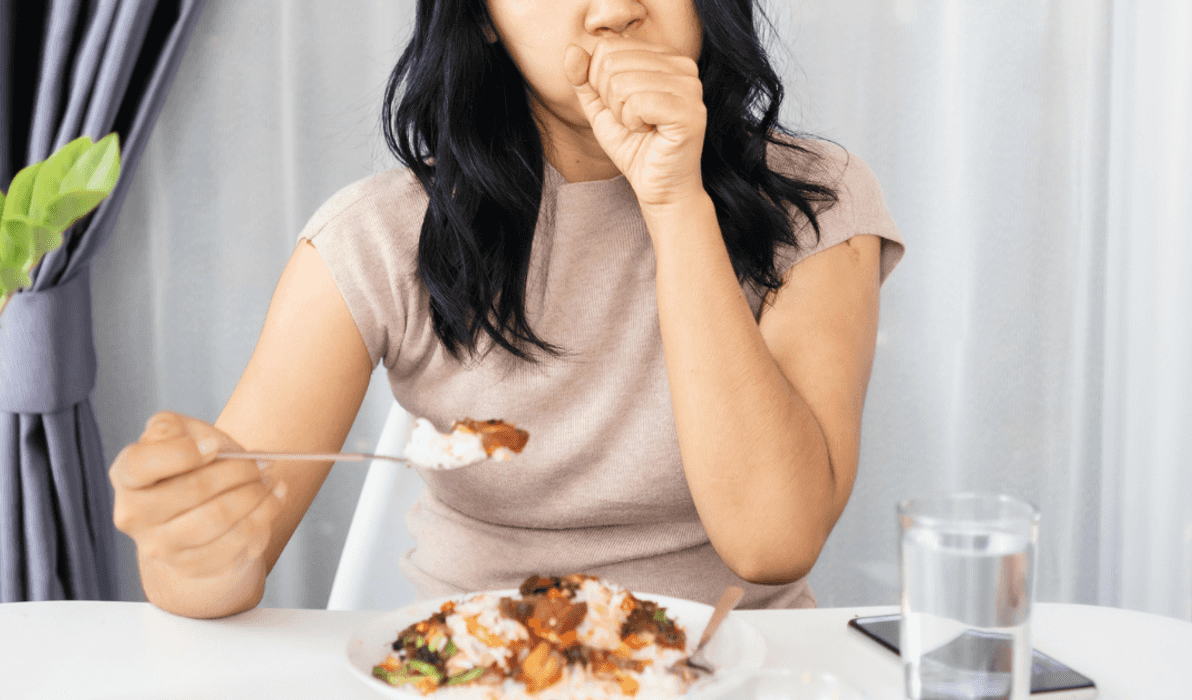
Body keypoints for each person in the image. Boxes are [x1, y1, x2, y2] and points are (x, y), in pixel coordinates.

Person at [110, 0, 904, 619]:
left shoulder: (815, 202)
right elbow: (221, 563)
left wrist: (674, 200)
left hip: (742, 665)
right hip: (471, 664)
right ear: (482, 21)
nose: (613, 11)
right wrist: (187, 547)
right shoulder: (374, 238)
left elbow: (773, 542)